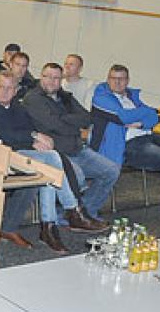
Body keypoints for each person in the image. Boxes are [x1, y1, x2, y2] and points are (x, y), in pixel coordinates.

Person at [0, 71, 106, 252]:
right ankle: (71, 210)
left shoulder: (18, 107)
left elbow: (29, 128)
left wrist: (35, 141)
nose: (5, 91)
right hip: (1, 154)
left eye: (10, 88)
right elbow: (3, 134)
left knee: (48, 168)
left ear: (16, 90)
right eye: (1, 86)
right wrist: (33, 137)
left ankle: (49, 226)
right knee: (52, 159)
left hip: (22, 153)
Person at [23, 63, 121, 219]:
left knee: (111, 171)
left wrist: (64, 119)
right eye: (47, 76)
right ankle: (73, 214)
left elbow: (87, 118)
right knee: (77, 176)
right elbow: (52, 125)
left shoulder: (65, 97)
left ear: (61, 79)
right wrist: (73, 127)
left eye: (56, 78)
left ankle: (84, 212)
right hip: (56, 154)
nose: (51, 81)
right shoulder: (33, 99)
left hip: (78, 149)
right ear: (41, 77)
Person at [91, 64, 160, 223]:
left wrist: (141, 123)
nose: (117, 82)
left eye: (121, 79)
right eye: (113, 78)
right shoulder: (101, 96)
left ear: (127, 80)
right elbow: (124, 116)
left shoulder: (132, 97)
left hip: (148, 135)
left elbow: (154, 116)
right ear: (108, 79)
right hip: (129, 145)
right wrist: (146, 115)